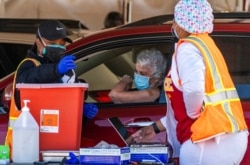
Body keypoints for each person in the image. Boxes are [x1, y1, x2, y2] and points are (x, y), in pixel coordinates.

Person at [127, 0, 249, 164]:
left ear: (185, 23)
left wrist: (193, 115)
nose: (175, 25)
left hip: (209, 141)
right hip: (224, 137)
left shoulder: (188, 48)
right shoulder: (205, 44)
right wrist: (155, 128)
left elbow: (194, 91)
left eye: (177, 20)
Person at [5, 20, 98, 156]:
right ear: (38, 42)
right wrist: (56, 70)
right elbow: (31, 78)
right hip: (26, 149)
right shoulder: (28, 66)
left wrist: (81, 111)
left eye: (61, 44)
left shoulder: (67, 71)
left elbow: (65, 109)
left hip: (59, 146)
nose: (58, 47)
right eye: (52, 43)